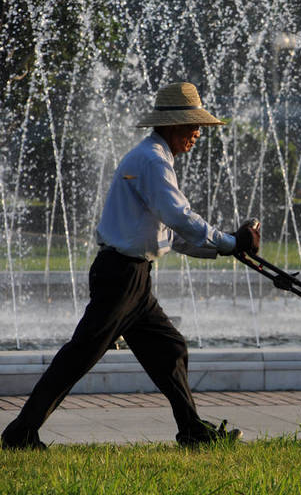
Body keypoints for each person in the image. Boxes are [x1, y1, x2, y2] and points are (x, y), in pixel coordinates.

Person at [1, 82, 260, 449]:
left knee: (170, 348)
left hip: (133, 277)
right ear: (173, 125)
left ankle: (192, 431)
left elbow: (171, 233)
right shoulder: (153, 161)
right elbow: (179, 216)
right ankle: (20, 433)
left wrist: (225, 249)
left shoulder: (155, 158)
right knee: (79, 356)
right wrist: (231, 241)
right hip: (121, 276)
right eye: (193, 126)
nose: (198, 134)